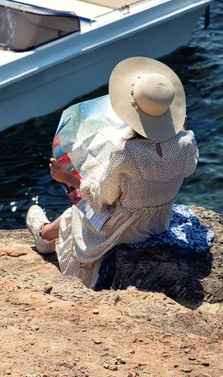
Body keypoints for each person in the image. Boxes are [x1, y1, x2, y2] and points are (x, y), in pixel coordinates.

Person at [26, 57, 199, 288]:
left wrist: (68, 178)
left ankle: (44, 235)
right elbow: (189, 167)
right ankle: (45, 234)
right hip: (158, 222)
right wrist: (176, 125)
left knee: (77, 212)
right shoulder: (187, 142)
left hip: (126, 230)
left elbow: (102, 199)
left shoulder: (126, 151)